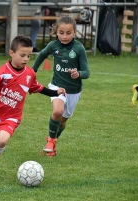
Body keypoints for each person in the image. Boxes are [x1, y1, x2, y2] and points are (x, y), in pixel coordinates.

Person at [0, 35, 66, 176]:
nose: (26, 59)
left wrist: (55, 91)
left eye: (28, 56)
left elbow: (37, 87)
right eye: (22, 55)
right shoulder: (3, 71)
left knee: (2, 140)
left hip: (12, 116)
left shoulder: (29, 74)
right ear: (12, 53)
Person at [32, 15, 90, 157]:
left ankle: (53, 141)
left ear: (74, 32)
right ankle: (51, 141)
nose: (64, 36)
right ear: (56, 32)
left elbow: (87, 72)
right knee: (57, 111)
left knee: (63, 121)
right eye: (61, 33)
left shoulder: (79, 48)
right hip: (57, 86)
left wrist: (79, 74)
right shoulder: (53, 45)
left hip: (74, 91)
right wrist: (32, 71)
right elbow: (41, 55)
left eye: (68, 33)